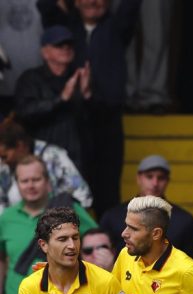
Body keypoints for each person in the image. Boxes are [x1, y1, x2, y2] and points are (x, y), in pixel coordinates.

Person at [37, 0, 143, 218]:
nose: (93, 2)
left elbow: (131, 6)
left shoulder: (116, 27)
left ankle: (107, 245)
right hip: (72, 120)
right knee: (71, 191)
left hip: (108, 118)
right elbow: (46, 6)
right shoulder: (67, 28)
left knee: (108, 189)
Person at [0, 155, 96, 294]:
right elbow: (1, 260)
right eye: (24, 181)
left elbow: (97, 240)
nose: (30, 185)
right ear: (16, 184)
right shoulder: (6, 218)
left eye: (36, 179)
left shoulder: (67, 208)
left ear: (47, 181)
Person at [99, 155, 193, 268]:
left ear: (167, 181)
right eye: (149, 177)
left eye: (161, 178)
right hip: (122, 280)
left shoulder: (184, 220)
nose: (155, 183)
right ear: (139, 178)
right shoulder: (113, 216)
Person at [14, 26, 91, 170]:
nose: (65, 48)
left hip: (79, 156)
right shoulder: (31, 78)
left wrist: (86, 94)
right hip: (42, 155)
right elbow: (25, 112)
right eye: (59, 45)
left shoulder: (81, 77)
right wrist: (61, 99)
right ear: (45, 52)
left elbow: (95, 120)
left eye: (69, 44)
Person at [0, 121, 92, 212]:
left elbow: (82, 196)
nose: (2, 161)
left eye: (4, 156)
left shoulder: (52, 156)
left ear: (20, 146)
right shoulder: (4, 167)